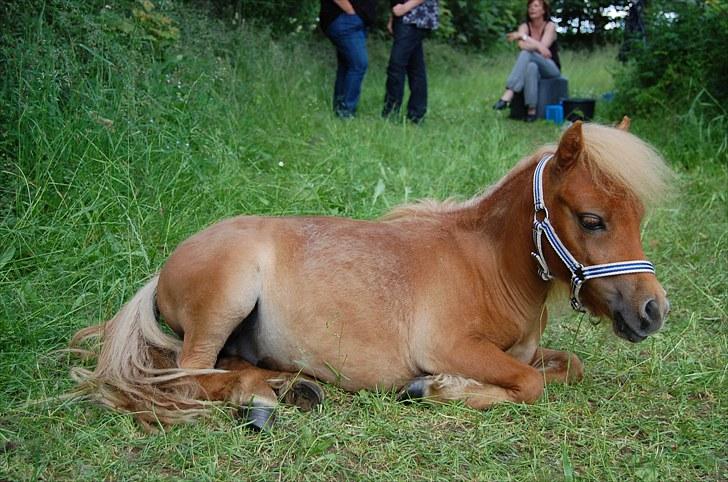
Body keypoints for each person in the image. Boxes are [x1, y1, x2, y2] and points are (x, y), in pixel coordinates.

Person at [492, 0, 561, 122]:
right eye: (529, 6)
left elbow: (544, 49)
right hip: (533, 64)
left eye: (535, 6)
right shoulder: (524, 27)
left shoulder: (550, 26)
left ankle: (509, 92)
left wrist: (524, 37)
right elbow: (523, 47)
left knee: (527, 54)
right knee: (531, 67)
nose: (531, 9)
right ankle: (531, 110)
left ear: (544, 10)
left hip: (550, 68)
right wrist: (537, 46)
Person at [382, 0, 439, 123]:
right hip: (405, 17)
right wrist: (393, 17)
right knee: (415, 67)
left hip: (414, 16)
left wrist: (405, 7)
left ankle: (391, 114)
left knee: (396, 66)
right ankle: (416, 115)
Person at [319, 0, 377, 118]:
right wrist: (351, 12)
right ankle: (346, 112)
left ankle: (340, 110)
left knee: (347, 65)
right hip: (345, 19)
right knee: (359, 64)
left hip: (353, 20)